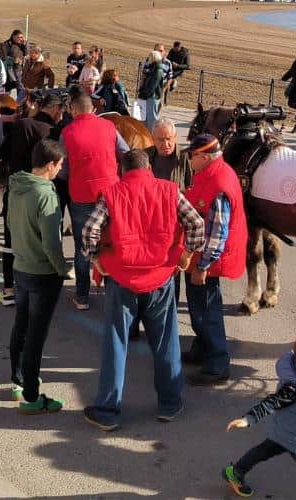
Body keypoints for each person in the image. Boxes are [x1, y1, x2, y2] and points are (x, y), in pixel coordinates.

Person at [81, 149, 206, 432]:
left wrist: (96, 259)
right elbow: (197, 224)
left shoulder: (112, 194)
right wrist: (187, 253)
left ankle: (108, 411)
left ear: (122, 169)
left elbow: (89, 231)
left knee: (116, 344)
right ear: (149, 166)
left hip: (122, 279)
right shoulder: (170, 190)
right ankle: (170, 403)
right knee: (165, 342)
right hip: (160, 278)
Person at [223, 332, 296, 500]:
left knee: (262, 452)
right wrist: (248, 419)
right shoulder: (292, 389)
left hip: (284, 431)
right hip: (295, 439)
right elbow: (270, 402)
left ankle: (235, 472)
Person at [7, 139, 68, 413]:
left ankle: (18, 381)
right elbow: (52, 243)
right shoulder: (46, 194)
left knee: (21, 326)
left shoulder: (16, 186)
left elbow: (9, 224)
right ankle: (32, 396)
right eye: (60, 165)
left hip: (21, 266)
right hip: (43, 272)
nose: (60, 171)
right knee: (36, 336)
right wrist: (61, 269)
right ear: (50, 165)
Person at [183, 133, 247, 387]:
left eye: (192, 155)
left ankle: (218, 364)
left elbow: (216, 234)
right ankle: (202, 348)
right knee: (200, 308)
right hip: (202, 257)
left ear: (205, 157)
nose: (189, 159)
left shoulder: (218, 184)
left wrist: (202, 266)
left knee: (208, 311)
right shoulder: (214, 173)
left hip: (206, 261)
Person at [0, 93, 64, 306]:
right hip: (42, 191)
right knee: (43, 240)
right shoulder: (53, 132)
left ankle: (8, 288)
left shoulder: (22, 125)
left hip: (16, 188)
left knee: (10, 240)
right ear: (55, 110)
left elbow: (2, 151)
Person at [60, 92, 123, 311]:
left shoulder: (67, 132)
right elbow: (125, 152)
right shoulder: (108, 126)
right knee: (111, 241)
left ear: (74, 110)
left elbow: (63, 169)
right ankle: (112, 292)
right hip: (110, 194)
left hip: (81, 196)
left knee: (82, 246)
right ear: (93, 109)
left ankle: (82, 296)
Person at [147, 119, 192, 188]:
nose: (166, 144)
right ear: (153, 139)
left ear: (175, 137)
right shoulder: (145, 156)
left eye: (169, 139)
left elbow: (192, 186)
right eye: (161, 140)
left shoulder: (186, 156)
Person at [137, 50, 167, 130]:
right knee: (147, 117)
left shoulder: (158, 70)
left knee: (152, 118)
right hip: (150, 96)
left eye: (150, 57)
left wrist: (144, 94)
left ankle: (152, 134)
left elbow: (153, 85)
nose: (148, 58)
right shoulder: (154, 68)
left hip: (152, 96)